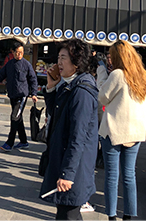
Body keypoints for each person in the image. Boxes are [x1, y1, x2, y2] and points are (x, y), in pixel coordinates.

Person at [39, 39, 99, 220]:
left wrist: (67, 174)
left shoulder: (81, 91)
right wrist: (51, 87)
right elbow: (57, 115)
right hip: (67, 162)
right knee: (68, 214)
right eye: (58, 57)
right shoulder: (70, 85)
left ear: (76, 61)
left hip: (75, 168)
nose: (59, 62)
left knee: (68, 214)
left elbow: (78, 137)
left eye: (63, 58)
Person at [98, 40, 146, 221]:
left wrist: (101, 73)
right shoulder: (144, 76)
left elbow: (103, 97)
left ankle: (112, 215)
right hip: (135, 131)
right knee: (129, 175)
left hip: (114, 130)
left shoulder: (118, 74)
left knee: (112, 176)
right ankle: (129, 214)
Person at [0, 41, 38, 151]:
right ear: (13, 52)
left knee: (14, 117)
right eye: (17, 52)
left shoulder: (26, 64)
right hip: (12, 94)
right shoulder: (9, 64)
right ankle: (23, 141)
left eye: (21, 52)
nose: (19, 54)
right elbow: (0, 76)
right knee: (18, 118)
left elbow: (33, 79)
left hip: (22, 95)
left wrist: (34, 93)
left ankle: (9, 143)